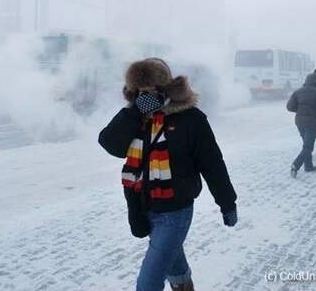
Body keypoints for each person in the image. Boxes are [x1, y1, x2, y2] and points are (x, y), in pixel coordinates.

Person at [98, 58, 237, 291]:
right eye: (140, 91)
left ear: (165, 90)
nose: (145, 96)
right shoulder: (136, 118)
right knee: (175, 266)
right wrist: (134, 113)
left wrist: (227, 202)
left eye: (151, 91)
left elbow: (213, 164)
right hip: (143, 206)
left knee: (148, 283)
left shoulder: (191, 119)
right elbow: (110, 144)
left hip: (175, 212)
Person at [286, 73, 316, 178]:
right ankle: (295, 165)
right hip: (312, 122)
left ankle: (308, 166)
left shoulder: (298, 92)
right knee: (308, 147)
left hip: (299, 122)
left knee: (306, 144)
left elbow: (290, 107)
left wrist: (301, 110)